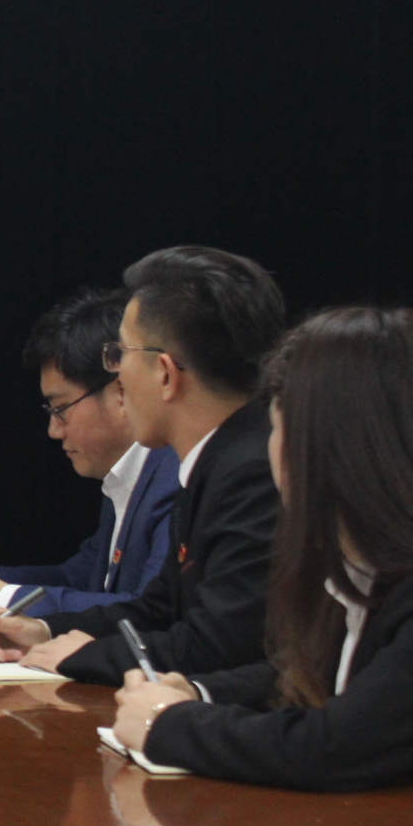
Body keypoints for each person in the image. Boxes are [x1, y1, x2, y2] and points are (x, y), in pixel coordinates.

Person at [113, 308, 413, 790]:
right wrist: (196, 691)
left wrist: (168, 724)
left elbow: (333, 746)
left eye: (276, 428)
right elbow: (309, 675)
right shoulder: (367, 568)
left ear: (322, 443)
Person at [0, 246, 286, 684]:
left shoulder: (254, 470)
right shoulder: (214, 459)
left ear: (165, 373)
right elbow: (157, 609)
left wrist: (84, 656)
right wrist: (45, 630)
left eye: (118, 354)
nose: (116, 375)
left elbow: (217, 645)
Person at [0, 289, 180, 624]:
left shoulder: (176, 476)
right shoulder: (128, 472)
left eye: (60, 408)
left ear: (122, 389)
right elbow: (78, 578)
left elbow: (151, 612)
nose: (53, 431)